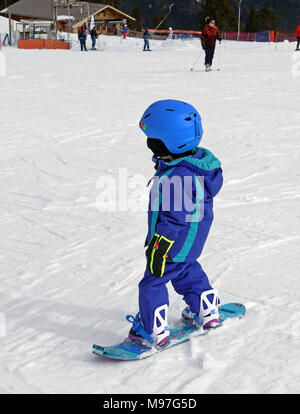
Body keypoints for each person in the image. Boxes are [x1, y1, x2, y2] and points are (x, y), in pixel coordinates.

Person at [128, 99, 223, 347]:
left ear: (162, 142)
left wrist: (160, 245)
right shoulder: (194, 167)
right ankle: (207, 310)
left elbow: (173, 217)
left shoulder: (176, 176)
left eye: (151, 140)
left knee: (153, 281)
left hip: (172, 242)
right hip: (193, 240)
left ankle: (152, 330)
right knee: (186, 270)